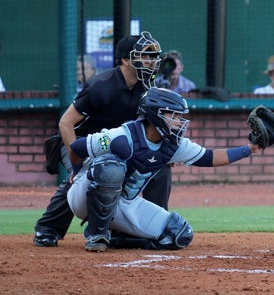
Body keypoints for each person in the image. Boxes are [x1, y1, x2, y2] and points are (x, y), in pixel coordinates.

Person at [66, 87, 263, 251]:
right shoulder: (122, 136)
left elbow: (208, 157)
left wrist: (250, 149)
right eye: (174, 115)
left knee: (178, 235)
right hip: (85, 195)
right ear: (155, 115)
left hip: (124, 202)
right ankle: (96, 234)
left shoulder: (173, 145)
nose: (179, 121)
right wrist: (76, 171)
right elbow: (76, 148)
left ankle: (120, 238)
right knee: (111, 168)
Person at [33, 31, 174, 248]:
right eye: (145, 56)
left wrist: (162, 151)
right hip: (80, 142)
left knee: (160, 168)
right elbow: (66, 123)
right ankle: (48, 229)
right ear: (126, 60)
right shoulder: (101, 86)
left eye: (153, 56)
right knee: (85, 174)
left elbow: (152, 126)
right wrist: (76, 163)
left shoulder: (148, 88)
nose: (151, 61)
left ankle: (151, 227)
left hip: (118, 144)